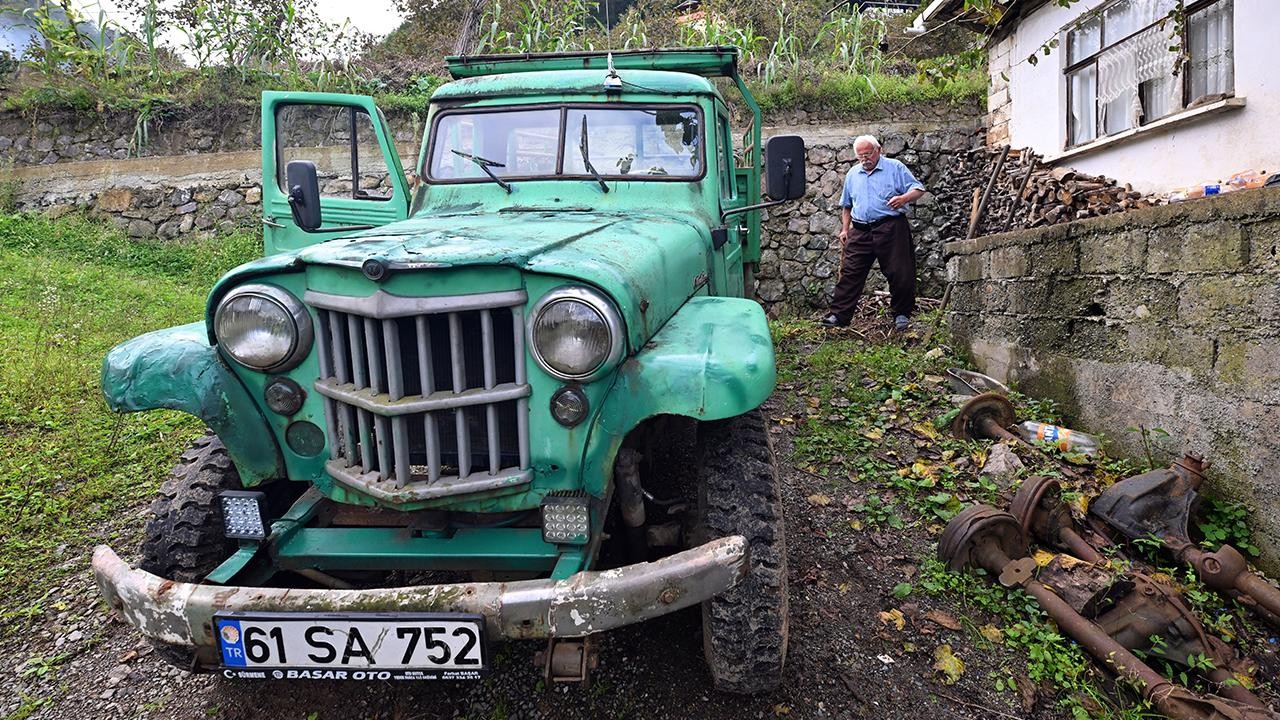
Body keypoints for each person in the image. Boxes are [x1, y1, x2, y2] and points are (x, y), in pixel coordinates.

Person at [820, 135, 926, 331]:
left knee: (900, 271)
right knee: (850, 272)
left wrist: (903, 198)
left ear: (879, 150)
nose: (865, 159)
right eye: (860, 156)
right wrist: (845, 229)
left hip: (891, 227)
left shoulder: (895, 167)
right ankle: (839, 315)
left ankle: (902, 314)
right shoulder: (853, 174)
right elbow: (846, 205)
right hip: (860, 230)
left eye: (868, 154)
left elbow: (919, 188)